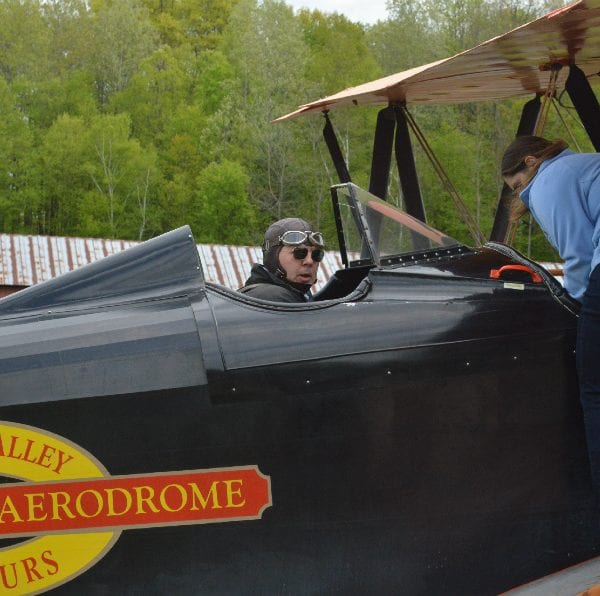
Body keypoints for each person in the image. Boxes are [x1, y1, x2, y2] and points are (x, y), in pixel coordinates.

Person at [501, 135, 600, 501]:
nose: (520, 195)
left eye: (517, 186)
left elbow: (579, 255)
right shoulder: (585, 165)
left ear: (531, 161)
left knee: (595, 391)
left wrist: (574, 306)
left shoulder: (550, 180)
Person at [239, 217, 325, 302]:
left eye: (316, 255)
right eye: (300, 253)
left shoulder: (299, 293)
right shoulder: (274, 297)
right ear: (273, 257)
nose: (309, 261)